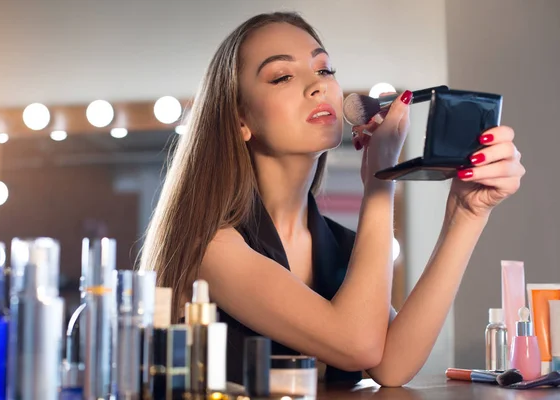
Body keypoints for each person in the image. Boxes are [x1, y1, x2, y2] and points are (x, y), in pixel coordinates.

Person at [140, 11, 525, 387]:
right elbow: (358, 345)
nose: (317, 85)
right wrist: (379, 179)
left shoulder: (337, 246)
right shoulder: (212, 245)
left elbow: (392, 365)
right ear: (240, 120)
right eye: (283, 76)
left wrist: (467, 213)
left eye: (324, 69)